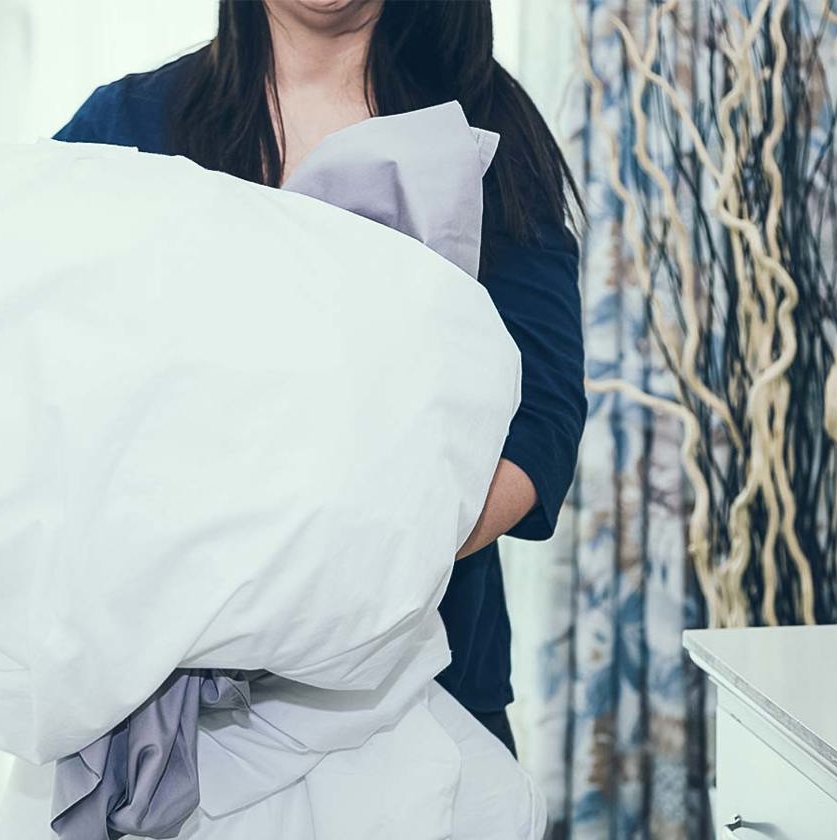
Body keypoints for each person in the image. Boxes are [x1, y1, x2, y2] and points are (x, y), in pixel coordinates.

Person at [53, 0, 586, 757]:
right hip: (169, 708)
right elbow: (35, 374)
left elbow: (543, 422)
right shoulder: (127, 128)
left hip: (427, 695)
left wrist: (355, 573)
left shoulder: (481, 126)